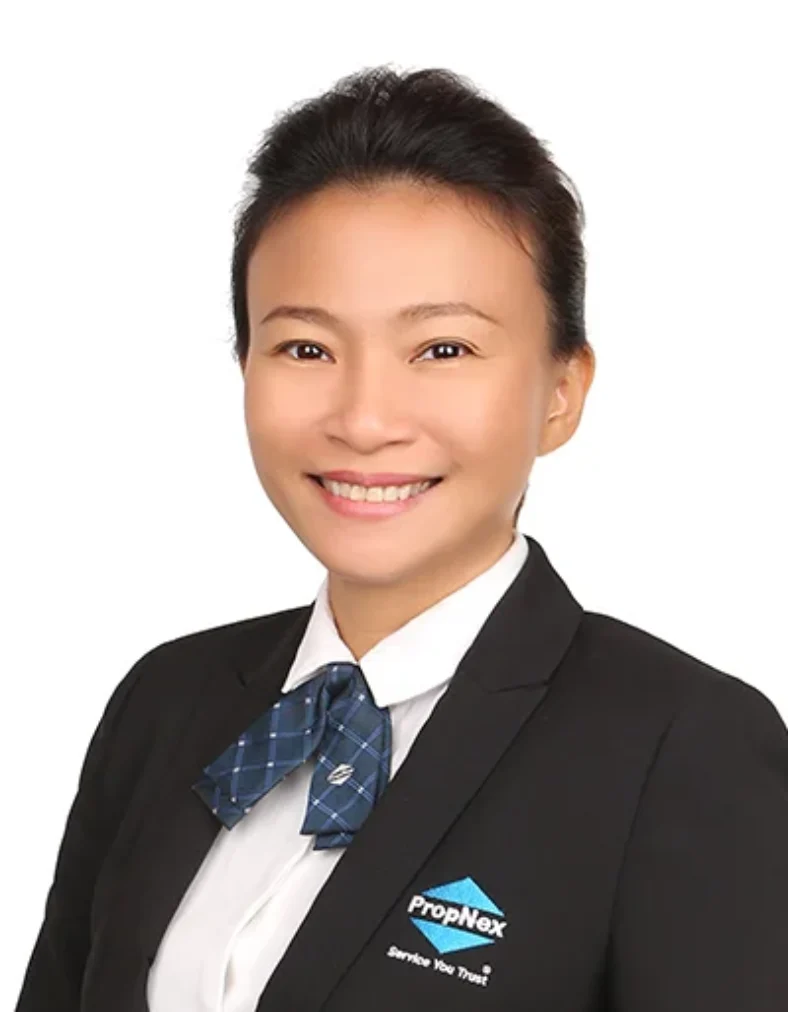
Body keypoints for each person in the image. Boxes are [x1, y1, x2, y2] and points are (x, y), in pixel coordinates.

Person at [15, 64, 788, 1012]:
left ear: (561, 392)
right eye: (306, 347)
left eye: (443, 349)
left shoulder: (680, 747)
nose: (365, 419)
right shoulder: (166, 701)